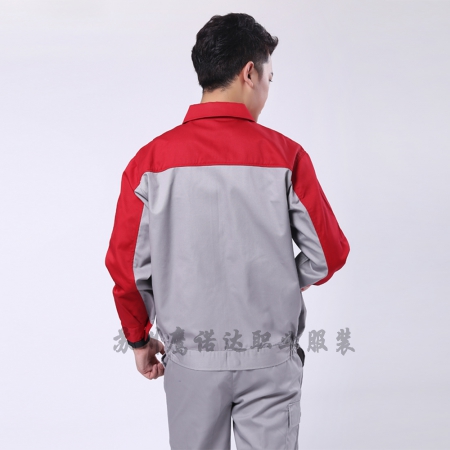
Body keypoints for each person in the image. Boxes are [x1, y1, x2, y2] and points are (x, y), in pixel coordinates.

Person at [105, 12, 350, 450]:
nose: (268, 90)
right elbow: (329, 254)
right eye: (270, 78)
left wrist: (139, 340)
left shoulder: (149, 164)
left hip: (191, 359)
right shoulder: (287, 156)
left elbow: (127, 269)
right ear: (249, 73)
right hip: (269, 356)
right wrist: (280, 279)